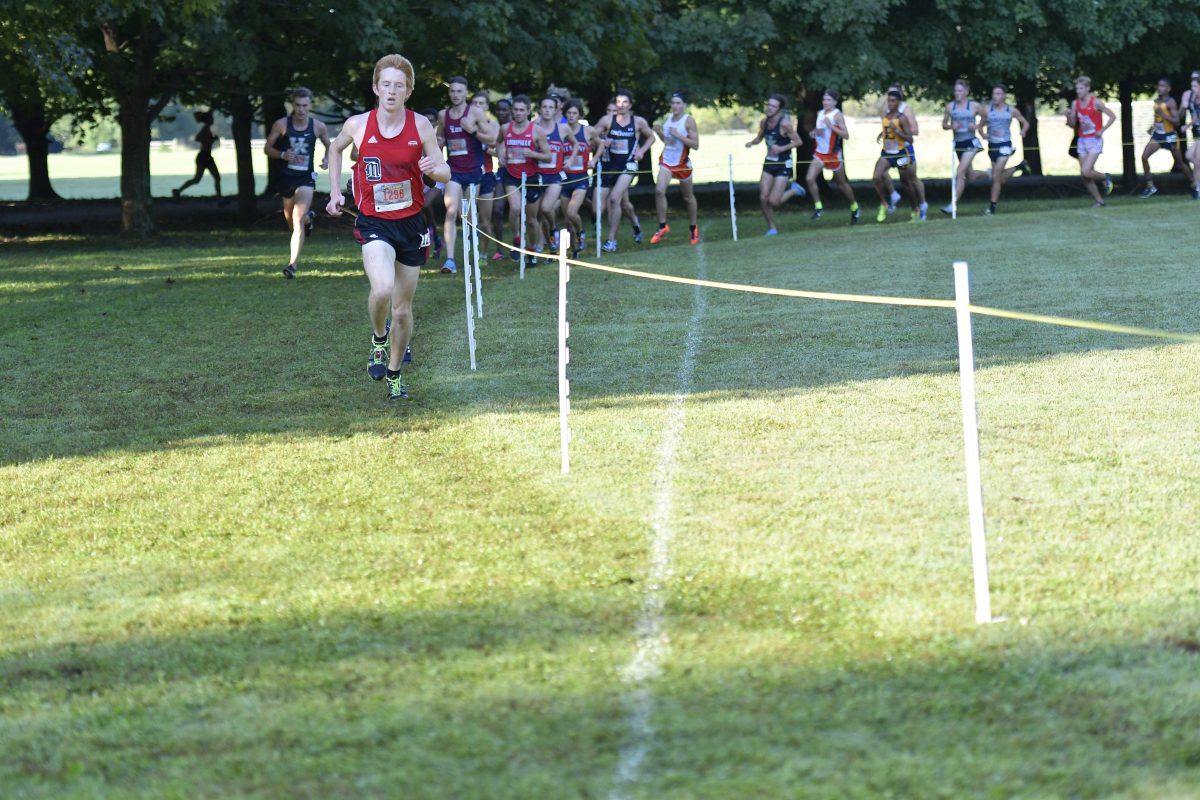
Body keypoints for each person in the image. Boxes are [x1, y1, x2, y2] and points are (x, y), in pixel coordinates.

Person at [325, 54, 450, 402]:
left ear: (408, 91)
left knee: (402, 309)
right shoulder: (358, 125)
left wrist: (433, 168)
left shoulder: (421, 126)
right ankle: (379, 338)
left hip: (411, 224)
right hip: (375, 222)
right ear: (376, 88)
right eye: (387, 85)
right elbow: (335, 150)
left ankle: (394, 372)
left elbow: (445, 172)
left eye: (399, 86)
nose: (392, 91)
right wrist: (335, 192)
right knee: (381, 290)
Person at [265, 87, 330, 278]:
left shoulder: (318, 126)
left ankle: (292, 265)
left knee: (297, 217)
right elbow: (267, 148)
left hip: (306, 179)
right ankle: (309, 219)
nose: (301, 109)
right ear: (292, 105)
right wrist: (282, 154)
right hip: (286, 179)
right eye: (298, 105)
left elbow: (329, 145)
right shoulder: (281, 125)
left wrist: (327, 159)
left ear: (310, 105)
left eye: (305, 106)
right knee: (292, 223)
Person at [437, 77, 497, 273]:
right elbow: (440, 139)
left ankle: (475, 251)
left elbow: (492, 140)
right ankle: (450, 260)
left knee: (470, 216)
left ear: (466, 93)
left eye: (459, 91)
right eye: (452, 91)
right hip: (453, 171)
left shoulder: (475, 113)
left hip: (473, 171)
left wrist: (472, 131)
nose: (455, 95)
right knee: (451, 211)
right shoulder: (443, 115)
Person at [593, 88, 655, 253]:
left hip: (628, 165)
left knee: (615, 199)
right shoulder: (607, 120)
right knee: (616, 204)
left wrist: (642, 151)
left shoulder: (638, 122)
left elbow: (651, 137)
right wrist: (601, 141)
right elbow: (591, 135)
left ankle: (611, 240)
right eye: (619, 102)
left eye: (625, 102)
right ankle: (634, 224)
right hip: (609, 166)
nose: (621, 105)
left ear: (630, 105)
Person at [497, 94, 552, 262]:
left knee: (531, 220)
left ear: (528, 111)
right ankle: (516, 238)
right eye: (515, 110)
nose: (518, 113)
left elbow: (548, 156)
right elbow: (498, 142)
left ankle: (532, 249)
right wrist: (501, 155)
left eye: (522, 110)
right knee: (515, 209)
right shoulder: (505, 128)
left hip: (531, 177)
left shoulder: (537, 131)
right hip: (511, 175)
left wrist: (533, 154)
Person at [744, 93, 806, 235]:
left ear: (779, 109)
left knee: (773, 201)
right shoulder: (764, 122)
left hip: (784, 164)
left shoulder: (785, 124)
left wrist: (781, 149)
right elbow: (760, 137)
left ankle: (794, 190)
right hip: (769, 162)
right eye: (769, 105)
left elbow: (798, 142)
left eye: (773, 106)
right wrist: (752, 143)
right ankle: (772, 228)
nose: (769, 108)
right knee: (763, 198)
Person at [650, 91, 700, 245]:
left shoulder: (688, 121)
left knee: (688, 197)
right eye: (673, 103)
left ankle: (693, 227)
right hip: (666, 161)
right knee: (659, 191)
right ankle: (662, 226)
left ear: (684, 105)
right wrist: (659, 132)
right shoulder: (668, 119)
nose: (675, 106)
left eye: (678, 103)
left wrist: (679, 135)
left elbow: (695, 145)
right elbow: (667, 142)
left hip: (682, 164)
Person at [804, 89, 860, 224]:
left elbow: (846, 135)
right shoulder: (820, 113)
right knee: (809, 178)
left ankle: (854, 207)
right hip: (820, 153)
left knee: (841, 184)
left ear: (835, 102)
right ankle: (818, 207)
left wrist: (831, 126)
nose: (825, 102)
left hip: (833, 155)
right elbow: (822, 131)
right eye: (824, 99)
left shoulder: (837, 115)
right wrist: (814, 132)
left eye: (829, 100)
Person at [873, 89, 925, 222]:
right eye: (888, 101)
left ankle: (915, 209)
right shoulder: (886, 116)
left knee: (906, 182)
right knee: (876, 177)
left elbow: (910, 139)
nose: (890, 103)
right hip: (887, 153)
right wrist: (881, 134)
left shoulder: (902, 118)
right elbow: (887, 130)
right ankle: (884, 204)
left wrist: (897, 130)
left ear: (898, 102)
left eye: (893, 101)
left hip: (901, 154)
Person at [978, 85, 1030, 215]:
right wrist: (983, 135)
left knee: (996, 176)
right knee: (999, 179)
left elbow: (1026, 123)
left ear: (1004, 96)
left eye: (998, 94)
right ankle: (1018, 167)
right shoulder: (987, 110)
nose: (995, 96)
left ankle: (992, 208)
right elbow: (980, 127)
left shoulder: (1011, 110)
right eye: (994, 94)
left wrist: (1023, 131)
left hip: (1005, 146)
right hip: (992, 147)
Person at [1065, 75, 1116, 207]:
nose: (1078, 91)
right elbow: (1072, 125)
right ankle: (1099, 201)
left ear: (1088, 88)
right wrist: (1069, 116)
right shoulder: (1075, 103)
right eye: (1077, 88)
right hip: (1082, 140)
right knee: (1085, 175)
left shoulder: (1096, 102)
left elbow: (1112, 116)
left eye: (1081, 88)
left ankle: (1105, 177)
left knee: (1086, 171)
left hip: (1095, 140)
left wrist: (1102, 130)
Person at [1139, 77, 1193, 198]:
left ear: (1168, 88)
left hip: (1170, 136)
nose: (1160, 88)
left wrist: (1163, 114)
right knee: (1144, 157)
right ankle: (1150, 186)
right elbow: (1158, 118)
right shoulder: (1156, 100)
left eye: (1163, 86)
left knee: (1180, 163)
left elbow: (1176, 121)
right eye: (1159, 85)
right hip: (1158, 135)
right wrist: (1152, 127)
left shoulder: (1171, 102)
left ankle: (1194, 185)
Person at [533, 96, 572, 256]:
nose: (547, 110)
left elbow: (576, 144)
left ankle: (554, 229)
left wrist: (570, 159)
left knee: (545, 208)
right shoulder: (533, 128)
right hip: (537, 176)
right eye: (544, 107)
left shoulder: (563, 129)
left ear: (556, 110)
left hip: (555, 176)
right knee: (540, 215)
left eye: (551, 107)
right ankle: (551, 246)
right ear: (540, 109)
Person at [942, 79, 986, 214]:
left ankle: (952, 204)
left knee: (960, 171)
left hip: (971, 142)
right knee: (971, 176)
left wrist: (977, 126)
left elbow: (985, 117)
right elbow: (944, 125)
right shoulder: (950, 107)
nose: (957, 93)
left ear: (966, 92)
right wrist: (951, 126)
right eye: (955, 91)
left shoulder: (974, 106)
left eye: (960, 91)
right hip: (958, 144)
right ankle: (989, 173)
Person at [560, 99, 593, 255]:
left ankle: (581, 233)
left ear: (580, 115)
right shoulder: (561, 131)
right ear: (565, 114)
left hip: (580, 179)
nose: (572, 116)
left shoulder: (587, 131)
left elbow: (600, 144)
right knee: (567, 221)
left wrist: (594, 159)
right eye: (569, 113)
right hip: (564, 179)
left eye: (575, 113)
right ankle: (575, 250)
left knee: (572, 212)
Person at [173, 111, 221, 199]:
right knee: (201, 179)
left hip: (206, 156)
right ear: (208, 120)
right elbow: (198, 138)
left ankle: (178, 191)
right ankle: (178, 191)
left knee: (201, 179)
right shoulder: (205, 129)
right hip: (204, 156)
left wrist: (211, 139)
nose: (213, 120)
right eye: (211, 119)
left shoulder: (207, 129)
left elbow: (204, 139)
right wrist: (210, 140)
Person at [1183, 72, 1200, 200]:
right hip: (1197, 134)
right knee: (1189, 155)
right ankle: (1197, 187)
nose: (1192, 89)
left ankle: (1197, 188)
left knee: (1197, 160)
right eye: (1192, 86)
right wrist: (1187, 126)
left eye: (1195, 86)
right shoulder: (1194, 100)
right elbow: (1195, 117)